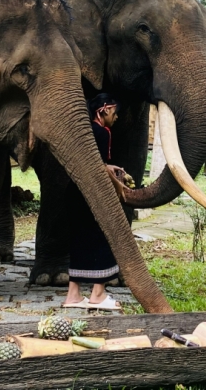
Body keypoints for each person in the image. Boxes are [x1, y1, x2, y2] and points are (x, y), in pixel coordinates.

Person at [63, 93, 130, 310]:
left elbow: (93, 162)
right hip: (93, 193)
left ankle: (73, 296)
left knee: (79, 239)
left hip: (74, 192)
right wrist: (119, 186)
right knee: (104, 237)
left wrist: (111, 167)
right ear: (105, 110)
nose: (116, 117)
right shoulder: (102, 132)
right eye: (115, 112)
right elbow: (98, 168)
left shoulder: (84, 131)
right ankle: (98, 295)